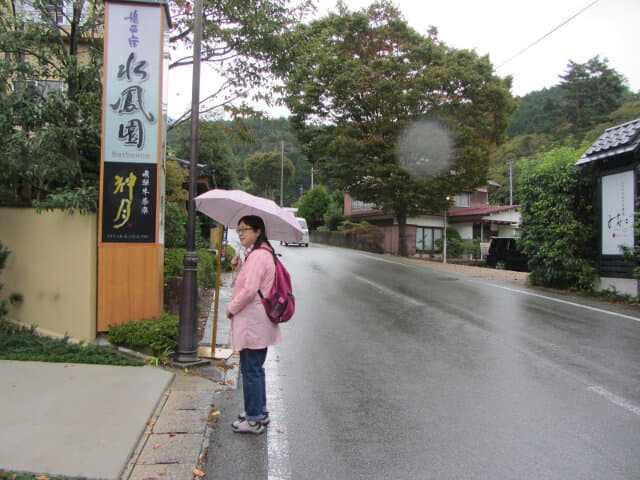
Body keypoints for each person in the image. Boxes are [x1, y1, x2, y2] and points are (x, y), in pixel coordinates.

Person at [226, 215, 281, 435]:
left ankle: (254, 419)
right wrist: (240, 266)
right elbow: (251, 282)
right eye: (239, 230)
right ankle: (258, 410)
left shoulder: (258, 256)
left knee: (251, 369)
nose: (241, 234)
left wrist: (231, 308)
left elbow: (249, 291)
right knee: (254, 368)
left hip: (253, 321)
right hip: (257, 321)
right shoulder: (259, 253)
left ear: (258, 231)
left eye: (245, 229)